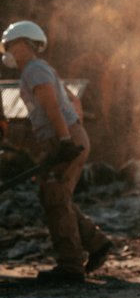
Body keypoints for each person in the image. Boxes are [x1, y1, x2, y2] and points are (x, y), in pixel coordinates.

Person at [2, 21, 113, 284]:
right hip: (67, 136)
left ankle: (71, 265)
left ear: (25, 45)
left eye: (10, 45)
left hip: (63, 138)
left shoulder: (33, 70)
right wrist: (73, 130)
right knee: (55, 195)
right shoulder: (41, 69)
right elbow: (74, 101)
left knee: (54, 194)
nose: (7, 50)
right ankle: (95, 243)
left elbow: (52, 107)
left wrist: (64, 140)